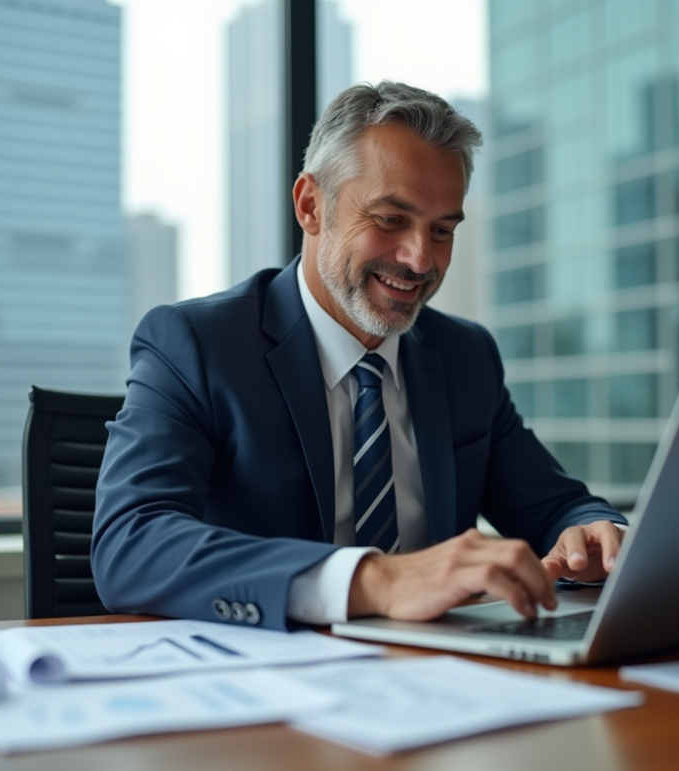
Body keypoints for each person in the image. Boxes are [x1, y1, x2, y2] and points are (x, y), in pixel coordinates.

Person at [93, 81, 627, 631]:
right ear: (310, 206)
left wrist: (595, 532)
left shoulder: (466, 356)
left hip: (441, 674)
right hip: (268, 682)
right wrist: (376, 580)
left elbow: (554, 506)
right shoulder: (196, 344)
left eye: (442, 230)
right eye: (391, 220)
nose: (420, 259)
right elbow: (131, 546)